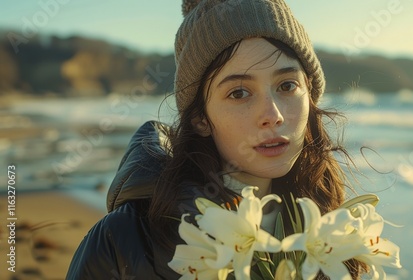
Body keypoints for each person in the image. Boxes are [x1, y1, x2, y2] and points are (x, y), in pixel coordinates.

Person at [66, 0, 367, 279]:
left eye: (287, 85)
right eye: (239, 93)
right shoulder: (123, 240)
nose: (272, 115)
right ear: (200, 119)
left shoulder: (334, 230)